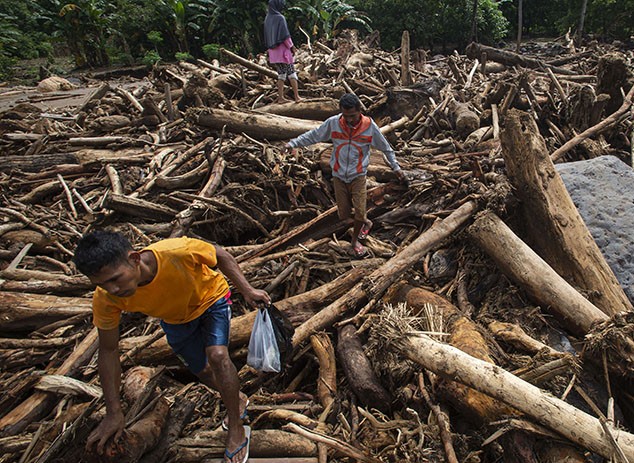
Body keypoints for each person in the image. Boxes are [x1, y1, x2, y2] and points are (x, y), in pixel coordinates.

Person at [74, 231, 270, 463]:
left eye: (116, 278)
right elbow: (108, 350)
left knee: (217, 355)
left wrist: (247, 290)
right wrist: (114, 412)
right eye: (102, 284)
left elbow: (220, 254)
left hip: (210, 299)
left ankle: (236, 429)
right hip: (175, 320)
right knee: (203, 371)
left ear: (134, 259)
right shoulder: (106, 299)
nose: (113, 289)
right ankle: (236, 400)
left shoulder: (175, 251)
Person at [284, 93, 405, 257]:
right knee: (344, 216)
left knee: (360, 214)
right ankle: (365, 222)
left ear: (360, 111)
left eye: (352, 116)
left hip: (358, 176)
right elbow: (314, 135)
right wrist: (293, 143)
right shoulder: (334, 123)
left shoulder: (369, 126)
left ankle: (355, 241)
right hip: (339, 176)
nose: (349, 120)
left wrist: (396, 168)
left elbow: (386, 148)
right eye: (345, 116)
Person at [264, 0, 300, 103]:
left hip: (273, 53)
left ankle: (280, 98)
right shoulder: (280, 18)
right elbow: (285, 36)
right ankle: (297, 96)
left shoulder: (267, 18)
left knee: (281, 74)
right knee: (291, 72)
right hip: (283, 51)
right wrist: (292, 46)